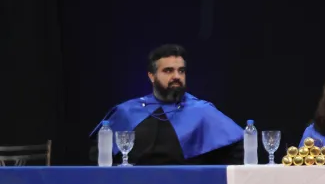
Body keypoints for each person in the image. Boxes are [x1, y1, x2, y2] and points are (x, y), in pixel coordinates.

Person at [90, 44, 243, 165]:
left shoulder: (203, 111)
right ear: (152, 76)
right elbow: (99, 157)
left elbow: (237, 151)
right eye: (168, 71)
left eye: (181, 71)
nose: (176, 76)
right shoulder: (128, 111)